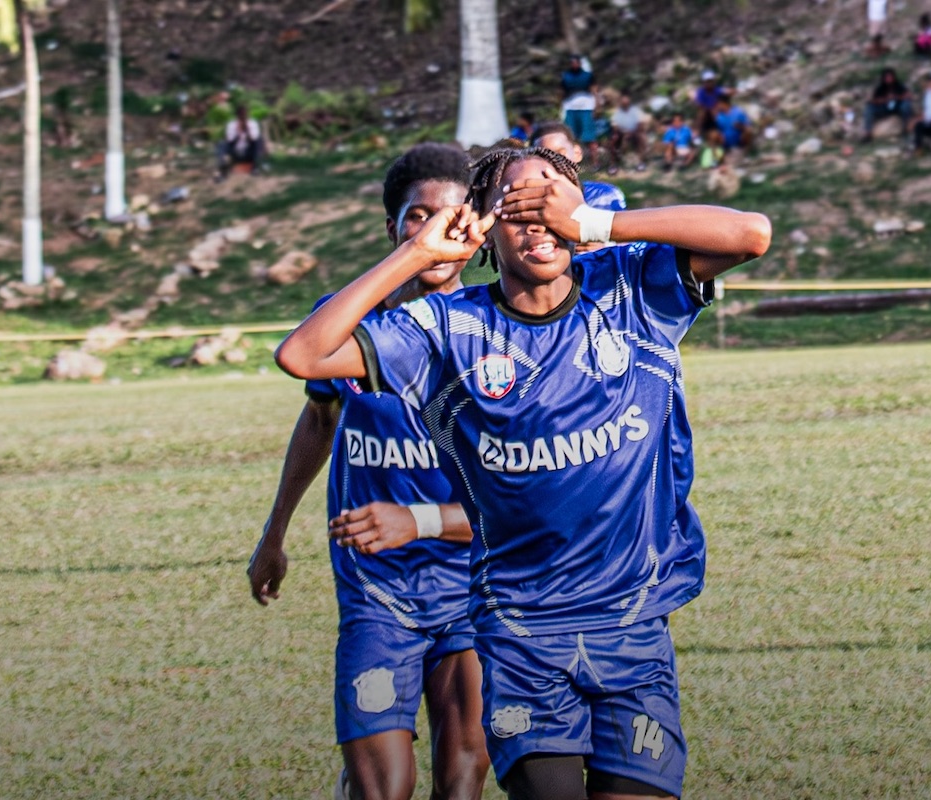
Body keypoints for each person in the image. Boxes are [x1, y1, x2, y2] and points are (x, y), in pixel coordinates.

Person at [273, 143, 772, 800]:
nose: (539, 222)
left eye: (552, 202)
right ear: (484, 229)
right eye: (517, 207)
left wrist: (597, 224)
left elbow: (750, 234)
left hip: (634, 629)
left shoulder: (632, 292)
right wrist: (419, 252)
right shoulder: (446, 327)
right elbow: (304, 355)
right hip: (520, 638)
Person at [248, 142, 490, 800]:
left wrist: (417, 522)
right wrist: (274, 533)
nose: (436, 231)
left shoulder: (498, 328)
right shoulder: (347, 324)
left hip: (471, 587)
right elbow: (320, 418)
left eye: (452, 215)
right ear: (393, 229)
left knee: (463, 776)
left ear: (476, 225)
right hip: (376, 596)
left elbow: (524, 499)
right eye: (417, 218)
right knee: (380, 788)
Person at [530, 121, 626, 213]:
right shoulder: (534, 205)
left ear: (577, 153)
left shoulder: (605, 196)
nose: (554, 161)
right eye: (544, 157)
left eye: (560, 153)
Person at [559, 54, 600, 164]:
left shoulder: (588, 75)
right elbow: (561, 93)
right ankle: (573, 163)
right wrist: (561, 107)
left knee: (590, 136)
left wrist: (597, 105)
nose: (574, 64)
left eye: (576, 62)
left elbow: (594, 90)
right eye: (572, 62)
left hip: (586, 108)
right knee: (571, 136)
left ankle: (595, 162)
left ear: (580, 63)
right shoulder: (566, 76)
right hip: (570, 108)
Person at [861, 67, 914, 143]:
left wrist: (896, 97)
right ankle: (867, 133)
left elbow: (908, 96)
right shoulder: (881, 88)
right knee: (869, 109)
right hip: (884, 108)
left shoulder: (899, 86)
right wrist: (884, 99)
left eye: (890, 77)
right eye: (887, 77)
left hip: (898, 107)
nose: (889, 79)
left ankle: (906, 129)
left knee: (906, 105)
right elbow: (873, 100)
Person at [216, 104, 266, 180]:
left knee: (259, 140)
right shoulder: (231, 124)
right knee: (221, 143)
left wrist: (247, 131)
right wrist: (237, 133)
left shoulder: (252, 123)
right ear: (237, 115)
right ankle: (223, 169)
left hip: (249, 154)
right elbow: (229, 141)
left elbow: (254, 140)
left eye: (245, 114)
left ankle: (255, 168)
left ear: (248, 114)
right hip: (235, 153)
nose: (243, 116)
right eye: (241, 114)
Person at [608, 94, 648, 172]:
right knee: (613, 139)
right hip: (622, 132)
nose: (625, 104)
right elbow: (615, 126)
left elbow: (640, 124)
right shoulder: (617, 112)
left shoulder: (636, 111)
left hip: (635, 132)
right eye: (623, 103)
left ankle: (641, 162)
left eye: (626, 102)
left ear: (629, 102)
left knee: (642, 137)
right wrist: (624, 132)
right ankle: (613, 164)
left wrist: (632, 132)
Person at [693, 69, 730, 136]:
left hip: (716, 111)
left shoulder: (717, 89)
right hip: (706, 112)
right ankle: (696, 131)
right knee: (701, 112)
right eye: (707, 81)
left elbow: (725, 92)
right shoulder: (701, 91)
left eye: (711, 81)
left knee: (721, 108)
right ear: (704, 82)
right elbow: (699, 104)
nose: (709, 83)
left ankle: (725, 129)